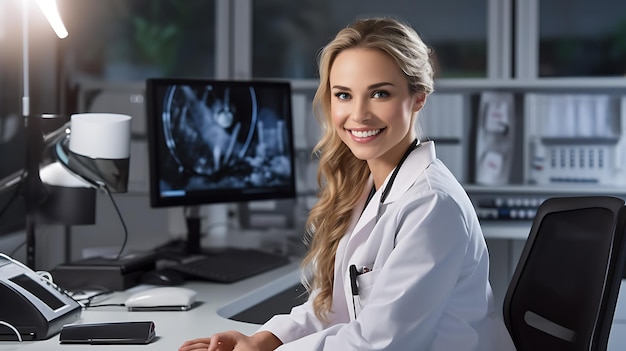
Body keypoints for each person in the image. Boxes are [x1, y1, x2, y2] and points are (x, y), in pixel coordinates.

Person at [179, 17, 515, 351]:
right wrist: (261, 340)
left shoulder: (432, 205)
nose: (359, 114)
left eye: (379, 94)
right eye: (343, 95)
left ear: (418, 98)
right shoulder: (368, 186)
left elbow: (379, 344)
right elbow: (334, 307)